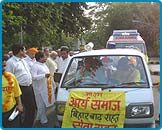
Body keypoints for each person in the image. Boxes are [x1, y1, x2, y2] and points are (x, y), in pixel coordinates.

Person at [6, 44, 36, 127]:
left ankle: (27, 125)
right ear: (20, 51)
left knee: (31, 108)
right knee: (19, 109)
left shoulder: (23, 60)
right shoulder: (11, 62)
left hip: (28, 87)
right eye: (24, 50)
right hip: (19, 88)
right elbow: (9, 77)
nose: (25, 51)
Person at [31, 51, 55, 125]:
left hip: (46, 88)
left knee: (44, 104)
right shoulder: (35, 66)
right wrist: (44, 75)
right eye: (45, 57)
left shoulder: (43, 64)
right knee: (41, 105)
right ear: (40, 58)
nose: (46, 58)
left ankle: (38, 117)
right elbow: (33, 77)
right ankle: (43, 121)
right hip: (39, 89)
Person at [2, 55, 23, 128]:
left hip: (11, 111)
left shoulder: (11, 77)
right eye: (2, 66)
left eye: (4, 66)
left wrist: (19, 105)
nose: (4, 68)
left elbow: (17, 93)